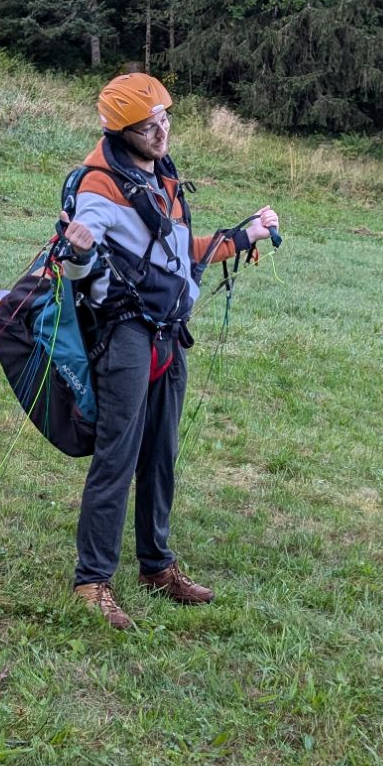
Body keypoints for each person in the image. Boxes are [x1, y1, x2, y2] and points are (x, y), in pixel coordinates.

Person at [57, 72, 279, 630]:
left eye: (165, 120)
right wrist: (78, 252)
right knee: (118, 455)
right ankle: (91, 581)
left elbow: (180, 252)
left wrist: (246, 235)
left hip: (168, 332)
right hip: (126, 335)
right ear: (120, 131)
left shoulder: (161, 175)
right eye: (148, 127)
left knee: (160, 454)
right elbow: (80, 261)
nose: (161, 133)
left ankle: (156, 566)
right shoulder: (99, 187)